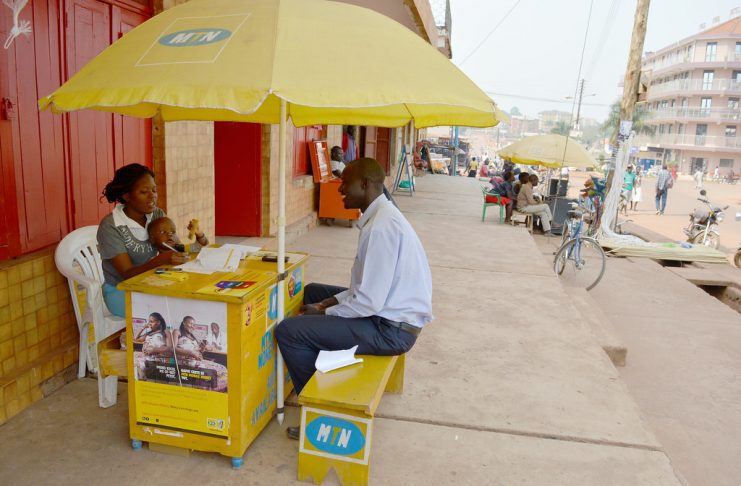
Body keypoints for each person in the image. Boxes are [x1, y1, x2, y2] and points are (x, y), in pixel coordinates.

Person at [276, 158, 432, 440]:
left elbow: (368, 302)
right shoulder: (381, 215)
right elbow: (363, 289)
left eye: (345, 183)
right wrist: (327, 303)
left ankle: (321, 412)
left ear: (364, 184)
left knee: (289, 332)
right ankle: (318, 360)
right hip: (387, 315)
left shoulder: (381, 228)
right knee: (313, 292)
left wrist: (323, 314)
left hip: (390, 331)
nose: (340, 189)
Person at [97, 164, 188, 317]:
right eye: (144, 192)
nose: (152, 196)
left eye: (154, 190)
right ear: (127, 196)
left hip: (152, 284)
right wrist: (159, 261)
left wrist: (179, 249)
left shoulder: (157, 215)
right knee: (172, 310)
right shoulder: (111, 226)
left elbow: (173, 248)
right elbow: (127, 274)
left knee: (188, 300)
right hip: (121, 291)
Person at [175, 316, 228, 392]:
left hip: (198, 360)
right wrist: (191, 353)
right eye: (191, 323)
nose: (192, 326)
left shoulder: (192, 336)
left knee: (223, 368)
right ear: (184, 323)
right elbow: (172, 348)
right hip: (186, 361)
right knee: (214, 372)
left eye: (194, 325)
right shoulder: (177, 332)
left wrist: (202, 349)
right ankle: (210, 391)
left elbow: (198, 350)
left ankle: (218, 391)